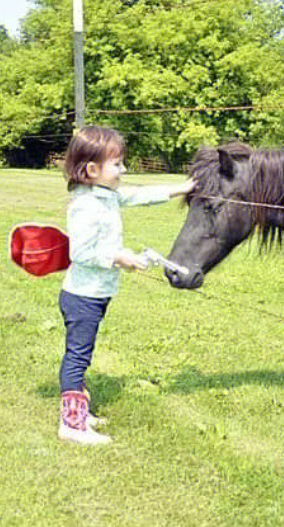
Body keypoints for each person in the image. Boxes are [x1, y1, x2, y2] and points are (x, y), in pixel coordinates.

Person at [58, 126, 194, 445]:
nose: (124, 170)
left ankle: (79, 411)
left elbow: (139, 195)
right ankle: (71, 424)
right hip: (82, 297)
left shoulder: (106, 196)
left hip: (95, 294)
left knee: (83, 353)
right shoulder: (86, 205)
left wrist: (181, 188)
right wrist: (120, 257)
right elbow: (80, 252)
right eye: (117, 164)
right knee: (77, 356)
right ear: (92, 169)